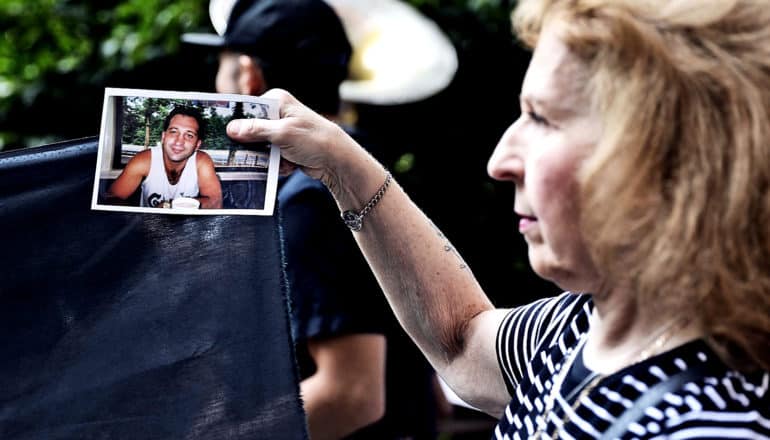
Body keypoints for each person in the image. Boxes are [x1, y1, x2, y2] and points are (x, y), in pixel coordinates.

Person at [225, 0, 770, 437]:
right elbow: (461, 340)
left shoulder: (707, 424)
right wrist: (342, 166)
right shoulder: (585, 324)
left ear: (667, 159)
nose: (501, 161)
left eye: (542, 118)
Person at [185, 0, 438, 438]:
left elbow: (352, 392)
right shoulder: (370, 171)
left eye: (222, 71)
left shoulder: (310, 199)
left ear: (249, 75)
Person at [108, 106, 223, 209]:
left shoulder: (201, 161)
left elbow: (216, 203)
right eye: (173, 132)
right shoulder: (144, 160)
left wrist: (170, 205)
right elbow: (111, 198)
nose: (179, 141)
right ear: (163, 137)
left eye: (189, 135)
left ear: (197, 144)